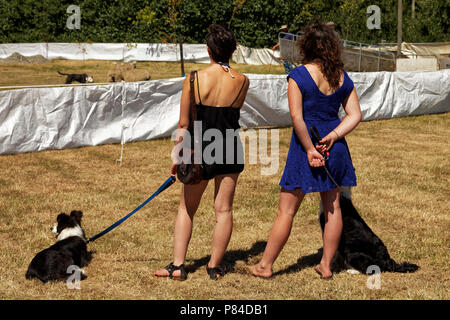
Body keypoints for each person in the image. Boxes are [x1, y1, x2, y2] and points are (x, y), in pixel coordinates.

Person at [251, 20, 362, 280]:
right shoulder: (341, 77)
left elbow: (296, 117)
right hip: (333, 147)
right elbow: (355, 115)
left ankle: (265, 266)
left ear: (307, 46)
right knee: (332, 207)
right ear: (333, 47)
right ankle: (326, 266)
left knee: (286, 210)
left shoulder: (298, 75)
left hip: (305, 147)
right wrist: (333, 136)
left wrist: (310, 149)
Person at [153, 24, 249, 281]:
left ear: (208, 49)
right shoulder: (243, 81)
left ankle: (177, 266)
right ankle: (214, 266)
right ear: (232, 50)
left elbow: (184, 124)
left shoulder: (194, 78)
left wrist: (178, 156)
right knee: (224, 210)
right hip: (229, 147)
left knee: (187, 208)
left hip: (199, 149)